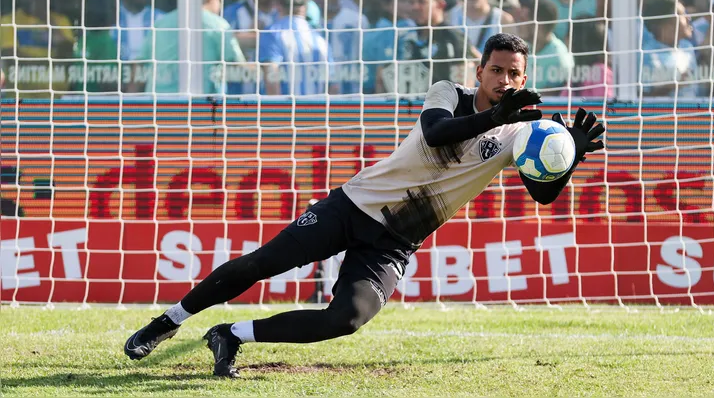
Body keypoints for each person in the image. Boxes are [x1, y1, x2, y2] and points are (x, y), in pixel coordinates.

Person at [123, 33, 606, 378]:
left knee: (346, 319)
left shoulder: (520, 135)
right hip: (353, 206)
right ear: (479, 71)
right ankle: (166, 323)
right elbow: (437, 134)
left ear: (525, 78)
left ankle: (232, 335)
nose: (503, 79)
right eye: (495, 70)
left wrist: (572, 156)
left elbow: (541, 193)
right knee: (261, 263)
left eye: (513, 74)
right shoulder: (449, 93)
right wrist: (492, 116)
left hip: (397, 239)